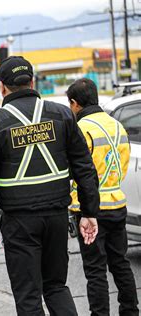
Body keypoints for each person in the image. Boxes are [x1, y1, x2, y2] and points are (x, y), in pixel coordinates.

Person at [0, 56, 100, 315]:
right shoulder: (62, 115)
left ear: (2, 87)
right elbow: (85, 168)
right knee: (56, 287)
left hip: (20, 222)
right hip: (56, 217)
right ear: (32, 81)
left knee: (28, 296)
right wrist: (89, 212)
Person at [67, 78, 139, 316]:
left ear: (75, 103)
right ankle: (130, 311)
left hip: (90, 210)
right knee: (120, 263)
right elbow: (124, 163)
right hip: (118, 204)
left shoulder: (81, 128)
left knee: (96, 270)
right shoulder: (118, 125)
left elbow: (75, 168)